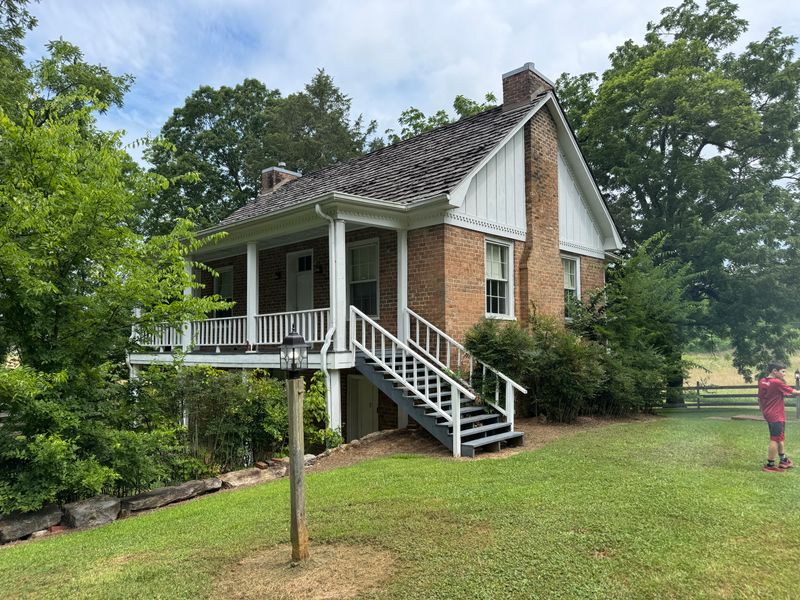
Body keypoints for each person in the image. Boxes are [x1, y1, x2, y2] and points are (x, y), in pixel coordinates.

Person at [758, 362, 799, 472]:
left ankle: (783, 460)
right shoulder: (776, 382)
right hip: (776, 415)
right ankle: (770, 465)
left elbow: (760, 398)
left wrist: (763, 411)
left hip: (769, 413)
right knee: (775, 439)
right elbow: (794, 392)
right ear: (774, 371)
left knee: (779, 437)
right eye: (783, 371)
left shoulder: (762, 381)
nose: (784, 374)